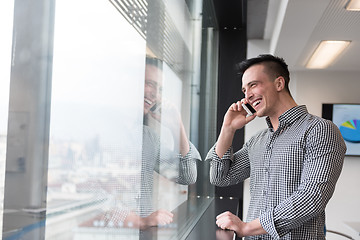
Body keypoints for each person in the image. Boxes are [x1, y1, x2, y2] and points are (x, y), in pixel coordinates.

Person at [206, 54, 346, 239]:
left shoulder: (320, 130)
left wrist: (248, 228)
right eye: (244, 89)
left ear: (279, 84)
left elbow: (312, 197)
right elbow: (220, 178)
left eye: (253, 85)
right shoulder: (258, 141)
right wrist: (228, 129)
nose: (247, 95)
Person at [112, 56, 201, 230]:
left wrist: (177, 128)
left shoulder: (148, 138)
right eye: (150, 84)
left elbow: (187, 176)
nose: (155, 94)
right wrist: (141, 221)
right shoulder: (107, 133)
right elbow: (95, 200)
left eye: (159, 88)